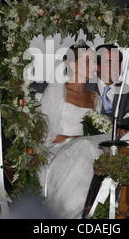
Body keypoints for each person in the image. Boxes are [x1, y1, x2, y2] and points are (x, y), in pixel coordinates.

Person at [38, 41, 107, 218]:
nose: (94, 66)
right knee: (84, 147)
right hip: (58, 153)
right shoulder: (56, 91)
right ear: (73, 64)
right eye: (88, 61)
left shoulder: (95, 98)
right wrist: (77, 140)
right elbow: (44, 136)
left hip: (88, 153)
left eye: (94, 61)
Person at [87, 44, 129, 135]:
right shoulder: (84, 90)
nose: (115, 67)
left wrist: (127, 133)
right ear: (97, 66)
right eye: (109, 62)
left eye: (117, 62)